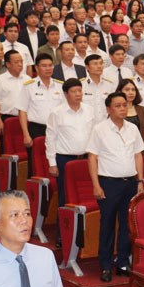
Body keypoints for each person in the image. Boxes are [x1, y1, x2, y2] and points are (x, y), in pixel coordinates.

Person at [87, 92, 144, 282]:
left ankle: (122, 262)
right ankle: (105, 265)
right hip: (108, 183)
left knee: (127, 224)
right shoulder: (99, 129)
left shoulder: (132, 128)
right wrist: (96, 185)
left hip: (130, 182)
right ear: (108, 109)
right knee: (108, 224)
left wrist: (140, 180)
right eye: (118, 106)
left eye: (124, 105)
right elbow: (92, 158)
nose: (122, 109)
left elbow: (138, 155)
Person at [45, 79, 95, 207]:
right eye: (74, 91)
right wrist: (52, 163)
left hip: (86, 158)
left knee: (88, 192)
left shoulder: (89, 110)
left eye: (80, 90)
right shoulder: (57, 113)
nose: (78, 94)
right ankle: (64, 219)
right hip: (65, 159)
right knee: (65, 194)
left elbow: (95, 135)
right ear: (66, 94)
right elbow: (50, 138)